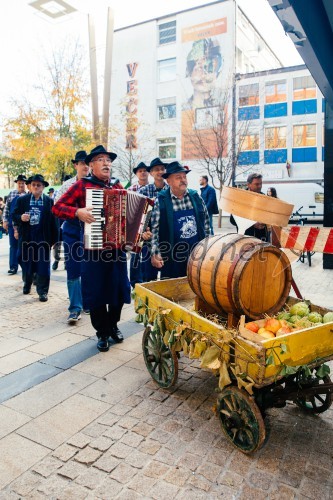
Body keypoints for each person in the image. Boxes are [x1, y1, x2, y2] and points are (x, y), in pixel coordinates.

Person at [52, 145, 131, 353]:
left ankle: (113, 325)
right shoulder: (81, 186)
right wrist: (77, 211)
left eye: (108, 160)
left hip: (116, 249)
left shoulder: (117, 185)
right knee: (96, 293)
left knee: (118, 290)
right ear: (91, 165)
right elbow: (57, 207)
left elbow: (129, 214)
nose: (107, 163)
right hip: (92, 249)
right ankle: (102, 333)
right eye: (101, 159)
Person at [150, 161, 210, 279]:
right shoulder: (161, 201)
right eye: (178, 177)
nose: (183, 180)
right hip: (172, 258)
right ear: (169, 181)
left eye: (184, 176)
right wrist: (155, 253)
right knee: (173, 293)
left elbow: (207, 225)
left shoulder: (196, 197)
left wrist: (209, 248)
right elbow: (154, 231)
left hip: (197, 256)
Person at [54, 150, 89, 324]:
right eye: (82, 163)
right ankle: (75, 308)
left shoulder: (95, 184)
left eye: (87, 163)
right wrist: (75, 213)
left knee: (91, 267)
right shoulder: (66, 186)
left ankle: (88, 301)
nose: (86, 166)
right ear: (76, 165)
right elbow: (56, 207)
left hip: (92, 230)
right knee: (73, 267)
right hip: (72, 230)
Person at [12, 174, 59, 302]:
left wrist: (55, 240)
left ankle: (42, 291)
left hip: (43, 238)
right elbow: (14, 214)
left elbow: (54, 221)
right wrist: (21, 217)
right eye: (34, 185)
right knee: (22, 259)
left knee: (43, 265)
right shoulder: (23, 200)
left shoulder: (49, 201)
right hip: (27, 236)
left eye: (39, 185)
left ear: (43, 187)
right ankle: (28, 281)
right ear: (30, 186)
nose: (36, 187)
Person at [138, 158, 169, 282]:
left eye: (162, 169)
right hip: (148, 238)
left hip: (167, 238)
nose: (160, 171)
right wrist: (142, 230)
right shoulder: (143, 191)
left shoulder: (170, 190)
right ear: (151, 173)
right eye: (156, 170)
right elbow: (137, 216)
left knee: (167, 277)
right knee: (147, 277)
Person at [184, 38, 222, 111]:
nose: (203, 76)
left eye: (209, 69)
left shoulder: (220, 105)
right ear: (189, 73)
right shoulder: (184, 108)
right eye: (199, 69)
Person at [128, 162, 149, 288]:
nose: (143, 172)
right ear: (136, 173)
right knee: (135, 255)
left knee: (146, 255)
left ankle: (145, 282)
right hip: (135, 227)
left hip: (148, 228)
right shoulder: (131, 189)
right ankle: (135, 283)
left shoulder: (152, 188)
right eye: (140, 171)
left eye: (145, 170)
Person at [230, 173, 268, 241]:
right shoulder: (240, 198)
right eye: (256, 184)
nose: (260, 186)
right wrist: (252, 224)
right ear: (248, 184)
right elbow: (232, 220)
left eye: (261, 183)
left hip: (262, 239)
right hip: (245, 239)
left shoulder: (265, 198)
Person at [2, 174, 27, 275]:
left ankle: (25, 266)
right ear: (17, 183)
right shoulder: (12, 194)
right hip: (12, 224)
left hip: (24, 225)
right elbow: (7, 208)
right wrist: (4, 220)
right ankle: (13, 267)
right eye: (19, 183)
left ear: (25, 184)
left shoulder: (28, 194)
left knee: (24, 246)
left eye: (23, 183)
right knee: (13, 246)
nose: (21, 185)